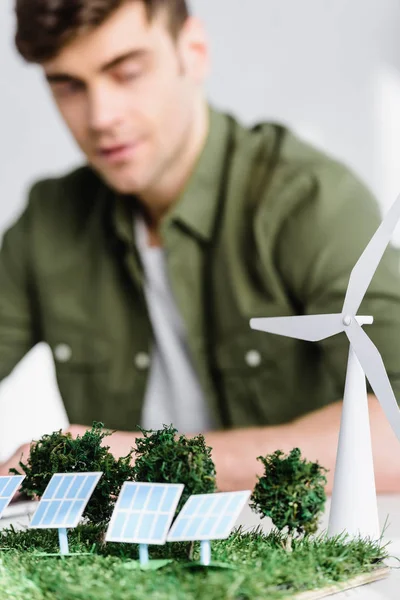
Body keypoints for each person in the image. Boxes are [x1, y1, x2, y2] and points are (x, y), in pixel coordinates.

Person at [1, 0, 400, 493]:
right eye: (68, 85)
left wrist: (138, 460)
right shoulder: (48, 221)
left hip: (301, 556)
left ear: (193, 51)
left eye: (126, 72)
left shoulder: (308, 202)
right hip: (124, 559)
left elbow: (396, 429)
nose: (101, 116)